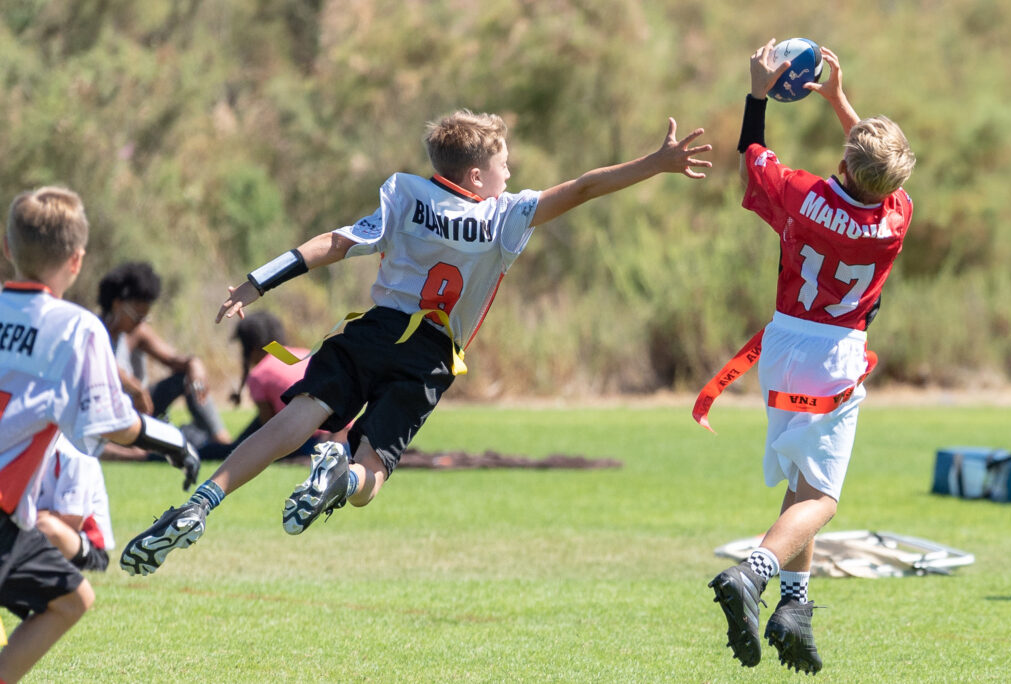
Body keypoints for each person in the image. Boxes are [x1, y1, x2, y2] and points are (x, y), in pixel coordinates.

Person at [118, 108, 712, 576]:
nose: (511, 175)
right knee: (372, 473)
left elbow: (337, 241)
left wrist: (257, 281)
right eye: (505, 165)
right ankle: (340, 476)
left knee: (294, 419)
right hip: (430, 355)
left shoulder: (404, 193)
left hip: (374, 330)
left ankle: (203, 502)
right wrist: (653, 164)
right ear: (478, 175)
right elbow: (582, 188)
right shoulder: (505, 215)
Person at [705, 40, 915, 674]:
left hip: (784, 346)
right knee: (823, 497)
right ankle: (755, 574)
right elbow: (879, 171)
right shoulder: (895, 218)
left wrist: (757, 94)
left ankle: (793, 609)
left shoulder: (803, 195)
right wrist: (840, 102)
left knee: (801, 489)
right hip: (836, 357)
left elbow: (752, 156)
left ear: (845, 163)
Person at [0, 187, 200, 682]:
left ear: (8, 249)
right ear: (77, 260)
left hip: (10, 522)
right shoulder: (76, 328)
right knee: (71, 601)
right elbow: (112, 423)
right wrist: (173, 442)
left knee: (72, 596)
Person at [98, 261, 231, 456]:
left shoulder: (137, 333)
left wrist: (194, 364)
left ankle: (223, 442)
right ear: (117, 305)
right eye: (137, 316)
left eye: (145, 318)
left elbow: (175, 359)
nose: (140, 323)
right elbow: (103, 366)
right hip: (108, 414)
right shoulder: (93, 331)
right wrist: (134, 388)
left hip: (140, 409)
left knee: (186, 378)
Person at [197, 311, 346, 460]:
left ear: (251, 348)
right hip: (339, 437)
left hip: (307, 441)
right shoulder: (305, 354)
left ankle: (195, 449)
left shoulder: (260, 373)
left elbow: (268, 430)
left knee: (229, 451)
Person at [36, 436, 114, 572]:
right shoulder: (23, 448)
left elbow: (71, 521)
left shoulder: (74, 452)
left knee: (45, 525)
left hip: (88, 548)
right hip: (38, 538)